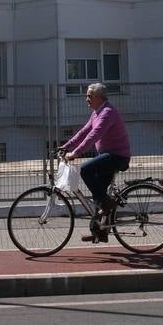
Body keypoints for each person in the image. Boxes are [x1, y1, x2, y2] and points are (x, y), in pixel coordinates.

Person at [61, 82, 132, 242]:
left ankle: (108, 205)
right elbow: (83, 132)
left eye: (89, 96)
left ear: (100, 97)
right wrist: (65, 146)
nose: (86, 99)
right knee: (98, 195)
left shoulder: (107, 112)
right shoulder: (96, 113)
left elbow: (94, 135)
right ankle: (101, 231)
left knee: (86, 170)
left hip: (118, 156)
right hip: (108, 156)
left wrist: (75, 153)